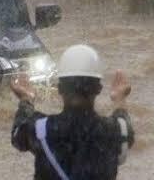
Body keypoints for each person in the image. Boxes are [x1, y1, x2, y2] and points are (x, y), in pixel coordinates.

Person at [10, 44, 134, 180]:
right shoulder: (115, 131)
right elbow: (123, 123)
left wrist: (26, 99)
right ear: (98, 89)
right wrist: (119, 99)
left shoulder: (41, 130)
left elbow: (18, 135)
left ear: (60, 89)